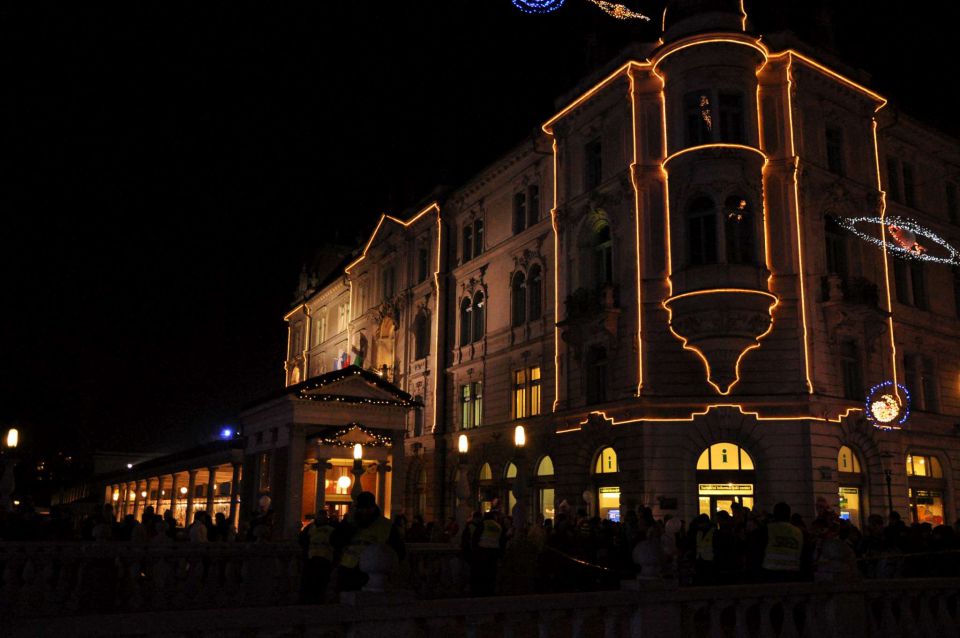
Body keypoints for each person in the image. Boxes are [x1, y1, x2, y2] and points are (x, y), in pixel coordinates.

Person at [333, 492, 404, 592]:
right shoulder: (350, 522)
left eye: (367, 508)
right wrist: (347, 525)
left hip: (373, 573)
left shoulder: (386, 525)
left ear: (373, 508)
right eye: (361, 508)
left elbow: (399, 551)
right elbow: (335, 541)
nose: (364, 512)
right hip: (348, 570)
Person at [761, 502, 803, 582]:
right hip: (792, 572)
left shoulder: (768, 529)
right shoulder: (798, 532)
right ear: (789, 515)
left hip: (771, 572)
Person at [300, 510, 336, 603]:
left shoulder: (331, 528)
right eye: (320, 516)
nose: (321, 518)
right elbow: (303, 540)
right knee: (311, 581)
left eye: (323, 516)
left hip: (325, 559)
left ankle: (319, 599)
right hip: (312, 558)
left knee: (322, 581)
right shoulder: (310, 527)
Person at [470, 511, 502, 596]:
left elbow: (475, 537)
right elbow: (501, 540)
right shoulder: (498, 526)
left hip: (483, 551)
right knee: (491, 573)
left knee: (482, 573)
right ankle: (490, 590)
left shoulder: (483, 524)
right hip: (494, 552)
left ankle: (481, 591)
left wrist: (474, 550)